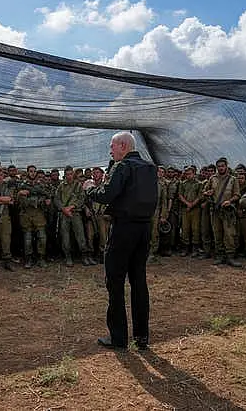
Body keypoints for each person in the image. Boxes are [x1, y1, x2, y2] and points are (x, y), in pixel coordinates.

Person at [85, 131, 158, 350]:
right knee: (139, 282)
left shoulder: (123, 166)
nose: (110, 150)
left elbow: (107, 194)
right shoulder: (150, 168)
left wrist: (89, 189)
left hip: (123, 229)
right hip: (144, 229)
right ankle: (141, 337)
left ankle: (118, 338)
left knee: (115, 283)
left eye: (112, 146)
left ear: (124, 146)